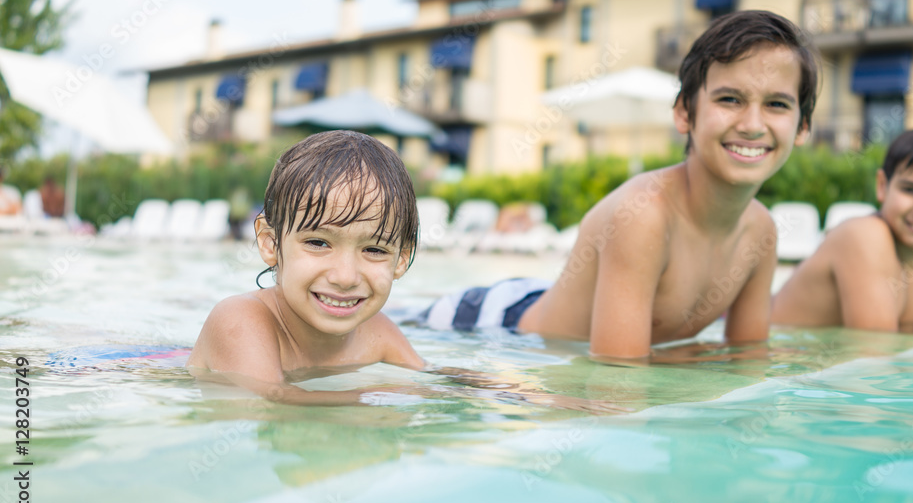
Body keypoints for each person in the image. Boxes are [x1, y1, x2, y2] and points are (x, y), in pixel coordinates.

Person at [423, 10, 819, 363]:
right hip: (491, 327)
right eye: (730, 99)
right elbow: (617, 383)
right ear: (684, 112)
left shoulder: (761, 232)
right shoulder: (646, 214)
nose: (752, 124)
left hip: (546, 303)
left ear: (802, 127)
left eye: (777, 104)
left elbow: (747, 361)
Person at [188, 130, 619, 412]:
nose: (344, 275)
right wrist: (381, 397)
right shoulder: (240, 322)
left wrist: (536, 397)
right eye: (318, 243)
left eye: (374, 249)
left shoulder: (377, 333)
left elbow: (435, 377)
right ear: (268, 242)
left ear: (400, 259)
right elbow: (273, 401)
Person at [772, 127, 913, 332]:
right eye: (910, 190)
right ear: (882, 186)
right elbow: (874, 354)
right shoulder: (864, 236)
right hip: (775, 351)